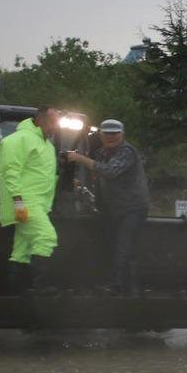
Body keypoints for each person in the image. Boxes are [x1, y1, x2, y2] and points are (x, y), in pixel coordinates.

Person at [64, 118, 151, 295]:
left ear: (122, 135)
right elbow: (99, 177)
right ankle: (124, 287)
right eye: (107, 133)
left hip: (132, 207)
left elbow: (109, 172)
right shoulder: (102, 152)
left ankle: (117, 286)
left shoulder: (127, 152)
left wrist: (80, 158)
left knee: (123, 245)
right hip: (113, 208)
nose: (111, 137)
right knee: (110, 244)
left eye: (115, 133)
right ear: (101, 135)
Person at [0, 105, 61, 293]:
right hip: (26, 202)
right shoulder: (20, 139)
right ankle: (39, 286)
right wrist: (18, 202)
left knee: (21, 251)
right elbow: (10, 172)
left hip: (39, 204)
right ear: (39, 119)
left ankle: (14, 293)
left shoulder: (47, 145)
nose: (54, 127)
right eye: (52, 122)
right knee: (46, 237)